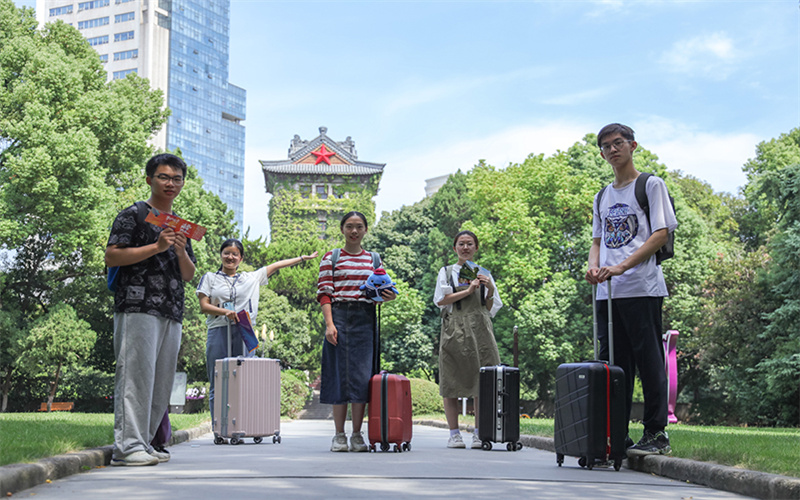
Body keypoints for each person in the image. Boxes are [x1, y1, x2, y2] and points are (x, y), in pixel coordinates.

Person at [585, 123, 678, 457]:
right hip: (608, 293)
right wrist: (593, 267)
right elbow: (597, 241)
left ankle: (655, 433)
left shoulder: (650, 185)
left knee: (649, 361)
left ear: (632, 145)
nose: (612, 149)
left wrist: (622, 266)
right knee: (614, 367)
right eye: (606, 146)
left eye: (618, 143)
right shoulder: (602, 196)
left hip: (642, 287)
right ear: (601, 154)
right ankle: (616, 435)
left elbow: (660, 233)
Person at [105, 153, 197, 466]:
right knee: (135, 376)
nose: (171, 183)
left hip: (171, 309)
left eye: (177, 179)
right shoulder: (133, 214)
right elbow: (112, 256)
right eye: (164, 177)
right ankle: (126, 447)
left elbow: (188, 274)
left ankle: (143, 443)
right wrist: (157, 247)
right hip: (137, 305)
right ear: (149, 179)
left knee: (160, 382)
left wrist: (180, 251)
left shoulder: (179, 224)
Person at [197, 238, 318, 436]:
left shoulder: (250, 278)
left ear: (241, 258)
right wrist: (224, 312)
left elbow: (276, 266)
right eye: (227, 253)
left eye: (235, 254)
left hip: (244, 330)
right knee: (217, 379)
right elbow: (204, 306)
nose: (230, 257)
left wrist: (302, 258)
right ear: (221, 255)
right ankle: (219, 429)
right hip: (218, 329)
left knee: (244, 380)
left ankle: (243, 427)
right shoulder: (210, 278)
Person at [317, 211, 396, 452]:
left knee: (362, 378)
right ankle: (339, 435)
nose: (354, 231)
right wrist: (330, 325)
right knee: (339, 376)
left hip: (365, 319)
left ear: (365, 230)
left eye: (359, 226)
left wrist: (388, 296)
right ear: (342, 229)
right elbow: (324, 293)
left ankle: (357, 435)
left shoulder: (374, 259)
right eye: (349, 226)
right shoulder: (331, 258)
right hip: (339, 316)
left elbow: (381, 289)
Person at [433, 230, 502, 449]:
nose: (465, 248)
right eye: (461, 244)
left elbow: (489, 308)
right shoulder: (446, 272)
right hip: (455, 328)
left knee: (483, 380)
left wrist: (489, 289)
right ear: (455, 248)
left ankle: (479, 433)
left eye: (469, 244)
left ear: (476, 248)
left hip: (480, 329)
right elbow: (441, 301)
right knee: (450, 380)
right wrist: (468, 290)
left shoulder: (484, 273)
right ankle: (454, 434)